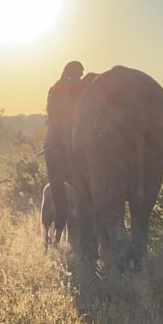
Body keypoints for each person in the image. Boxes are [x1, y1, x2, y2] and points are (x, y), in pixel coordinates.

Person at [44, 61, 91, 235]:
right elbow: (54, 114)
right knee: (61, 190)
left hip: (58, 140)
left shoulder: (57, 88)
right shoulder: (79, 89)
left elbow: (51, 114)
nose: (78, 76)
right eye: (78, 73)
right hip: (65, 139)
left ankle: (62, 226)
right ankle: (62, 224)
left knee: (59, 190)